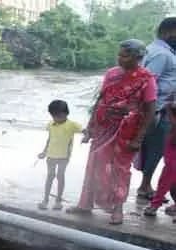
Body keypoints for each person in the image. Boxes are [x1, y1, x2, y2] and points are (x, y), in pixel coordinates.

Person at [66, 39, 157, 225]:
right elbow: (100, 99)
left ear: (137, 57)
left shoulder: (146, 79)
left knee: (120, 170)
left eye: (125, 55)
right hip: (103, 127)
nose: (120, 58)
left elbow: (149, 110)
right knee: (94, 164)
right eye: (119, 54)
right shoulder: (111, 74)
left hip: (126, 131)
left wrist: (139, 138)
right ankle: (85, 204)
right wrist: (90, 127)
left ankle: (118, 209)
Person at [135, 17, 176, 200]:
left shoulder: (153, 50)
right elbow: (148, 82)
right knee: (157, 149)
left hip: (157, 109)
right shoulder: (163, 54)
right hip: (159, 110)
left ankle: (146, 185)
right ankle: (145, 186)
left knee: (152, 148)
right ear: (169, 32)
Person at [36, 100, 85, 211]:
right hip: (51, 155)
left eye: (58, 116)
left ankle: (58, 201)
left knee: (60, 176)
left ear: (66, 113)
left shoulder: (72, 125)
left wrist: (86, 136)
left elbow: (84, 130)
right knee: (50, 176)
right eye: (53, 116)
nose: (55, 118)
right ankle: (45, 200)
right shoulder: (51, 124)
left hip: (64, 157)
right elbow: (49, 139)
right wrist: (44, 152)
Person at [144, 101, 176, 219]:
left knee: (169, 177)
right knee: (169, 176)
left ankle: (155, 204)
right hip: (172, 145)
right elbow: (170, 106)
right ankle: (155, 204)